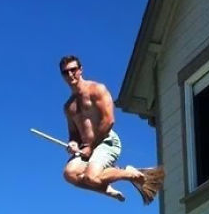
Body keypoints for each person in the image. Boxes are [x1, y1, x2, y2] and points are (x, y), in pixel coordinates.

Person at [59, 55, 164, 204]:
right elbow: (74, 135)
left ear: (80, 70)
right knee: (69, 173)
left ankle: (130, 173)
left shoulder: (96, 89)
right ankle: (104, 188)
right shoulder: (69, 106)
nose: (70, 74)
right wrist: (74, 144)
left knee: (91, 177)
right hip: (86, 148)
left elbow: (109, 120)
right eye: (65, 72)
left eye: (73, 70)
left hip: (105, 141)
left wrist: (90, 146)